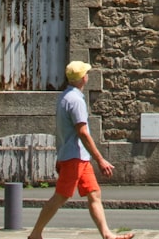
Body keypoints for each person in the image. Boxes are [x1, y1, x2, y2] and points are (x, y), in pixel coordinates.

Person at [27, 61, 134, 239]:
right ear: (82, 78)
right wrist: (100, 159)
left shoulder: (64, 97)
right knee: (60, 196)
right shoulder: (76, 101)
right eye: (87, 74)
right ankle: (35, 234)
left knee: (94, 194)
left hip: (77, 157)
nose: (88, 76)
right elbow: (82, 132)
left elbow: (63, 130)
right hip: (74, 158)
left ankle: (107, 234)